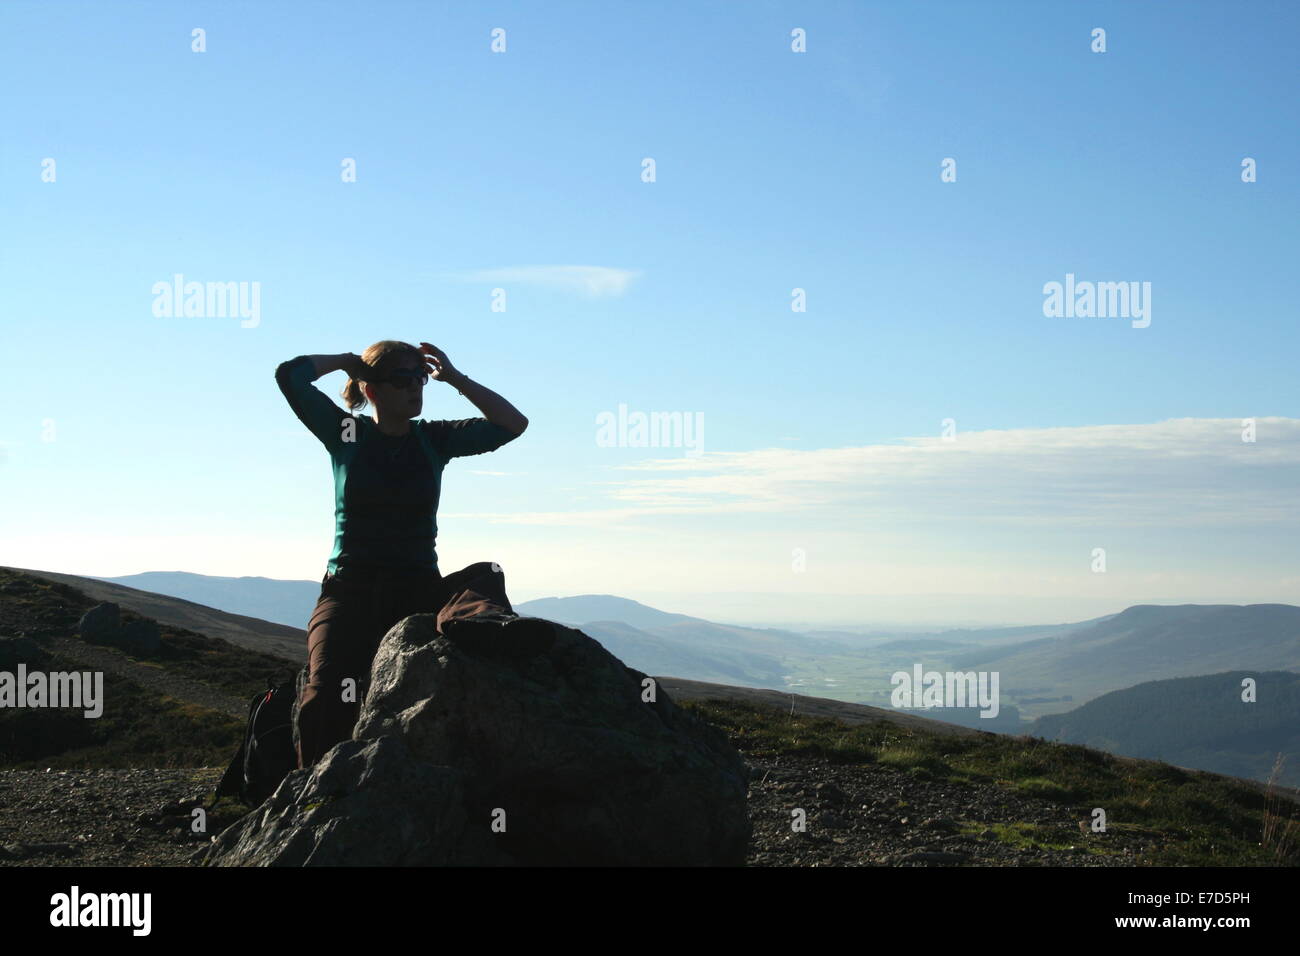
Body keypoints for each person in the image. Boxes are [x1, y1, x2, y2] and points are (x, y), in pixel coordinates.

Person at [275, 339, 554, 769]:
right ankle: (313, 792)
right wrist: (349, 362)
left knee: (487, 573)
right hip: (349, 593)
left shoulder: (433, 439)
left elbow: (512, 423)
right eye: (402, 379)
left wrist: (456, 378)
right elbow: (290, 376)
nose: (415, 387)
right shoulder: (347, 433)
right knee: (329, 689)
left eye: (419, 378)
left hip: (416, 588)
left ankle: (476, 625)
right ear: (371, 390)